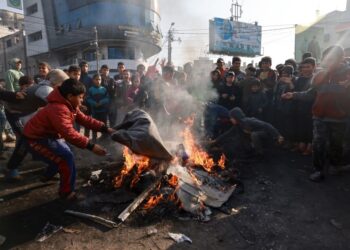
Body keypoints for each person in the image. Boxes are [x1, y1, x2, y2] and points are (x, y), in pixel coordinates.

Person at [22, 79, 114, 200]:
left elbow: (85, 119)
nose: (82, 100)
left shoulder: (69, 105)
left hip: (49, 136)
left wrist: (105, 128)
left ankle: (46, 175)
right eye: (80, 97)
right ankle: (66, 192)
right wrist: (91, 146)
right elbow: (69, 133)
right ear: (70, 96)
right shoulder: (59, 108)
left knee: (62, 154)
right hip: (35, 138)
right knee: (66, 157)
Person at [282, 45, 350, 181]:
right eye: (326, 59)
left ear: (340, 58)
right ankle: (318, 170)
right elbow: (310, 94)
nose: (328, 62)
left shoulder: (348, 73)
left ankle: (335, 166)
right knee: (318, 144)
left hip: (339, 118)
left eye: (331, 59)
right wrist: (294, 95)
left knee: (336, 144)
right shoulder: (320, 75)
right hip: (319, 117)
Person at [5, 69, 69, 181]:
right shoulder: (46, 89)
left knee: (30, 140)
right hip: (15, 113)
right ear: (55, 82)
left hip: (25, 112)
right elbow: (56, 105)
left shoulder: (47, 87)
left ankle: (48, 166)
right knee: (26, 140)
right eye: (62, 84)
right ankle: (12, 169)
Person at [209, 107, 283, 161]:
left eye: (232, 118)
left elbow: (266, 125)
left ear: (236, 117)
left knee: (254, 134)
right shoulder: (238, 125)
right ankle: (252, 150)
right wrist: (215, 141)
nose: (230, 119)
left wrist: (278, 135)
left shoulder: (248, 121)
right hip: (255, 139)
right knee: (243, 142)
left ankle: (260, 153)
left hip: (266, 135)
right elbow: (227, 134)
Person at [294, 57, 316, 155]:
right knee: (300, 125)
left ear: (314, 67)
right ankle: (301, 144)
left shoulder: (316, 79)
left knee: (310, 127)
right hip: (300, 106)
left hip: (312, 107)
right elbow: (295, 91)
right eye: (304, 67)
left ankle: (310, 146)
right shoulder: (299, 79)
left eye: (308, 67)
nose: (306, 69)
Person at [87, 74, 109, 142]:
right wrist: (94, 103)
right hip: (94, 111)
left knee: (103, 124)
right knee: (94, 125)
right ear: (93, 80)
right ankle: (94, 137)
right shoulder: (90, 89)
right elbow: (88, 98)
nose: (98, 81)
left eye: (99, 79)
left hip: (103, 111)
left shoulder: (104, 89)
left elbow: (107, 98)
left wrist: (101, 102)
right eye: (96, 79)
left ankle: (104, 137)